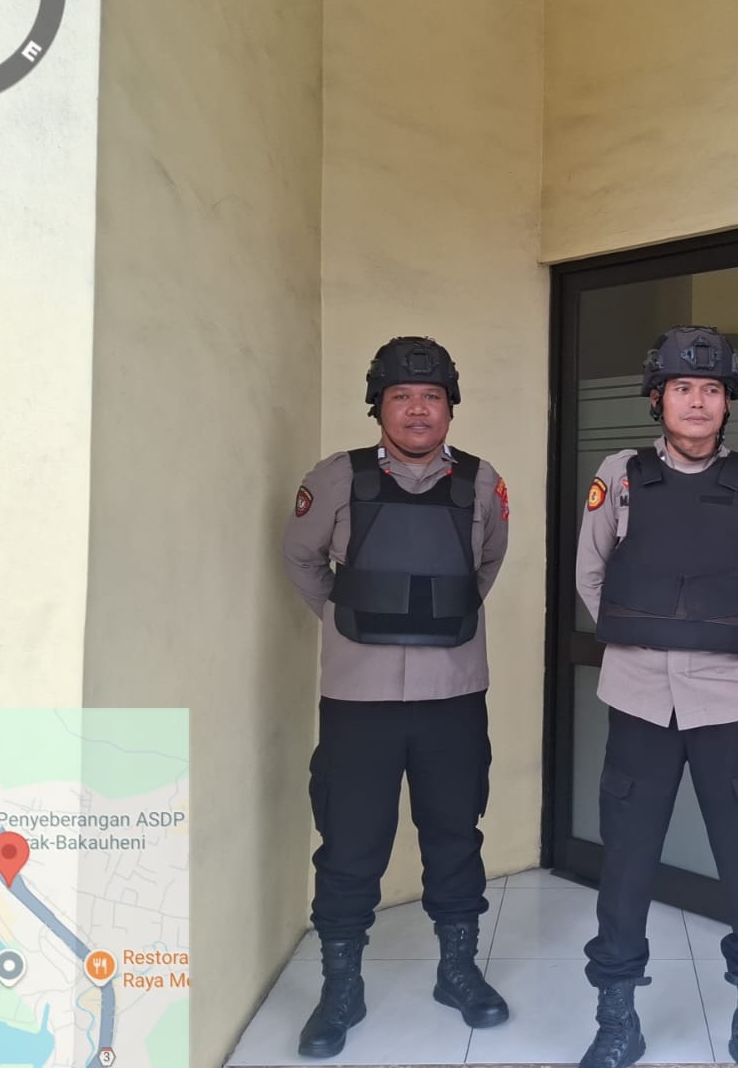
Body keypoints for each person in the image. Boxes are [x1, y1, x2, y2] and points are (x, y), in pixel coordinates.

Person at [281, 335, 512, 1058]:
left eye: (431, 397)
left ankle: (457, 972)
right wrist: (345, 619)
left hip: (454, 694)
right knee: (350, 844)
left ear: (450, 407)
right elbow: (300, 557)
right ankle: (340, 989)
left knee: (455, 835)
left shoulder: (482, 482)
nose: (417, 410)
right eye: (402, 397)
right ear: (378, 407)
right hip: (359, 699)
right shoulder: (336, 478)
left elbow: (486, 564)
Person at [574, 325, 738, 1068]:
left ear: (727, 402)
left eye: (710, 389)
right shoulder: (621, 475)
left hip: (729, 704)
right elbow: (591, 573)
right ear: (656, 399)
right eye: (681, 388)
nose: (696, 402)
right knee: (626, 864)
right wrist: (641, 639)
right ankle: (616, 1019)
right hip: (638, 700)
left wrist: (720, 641)